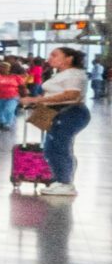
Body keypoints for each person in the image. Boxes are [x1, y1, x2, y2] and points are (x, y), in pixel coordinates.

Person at [21, 46, 90, 194]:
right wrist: (40, 101)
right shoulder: (63, 73)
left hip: (70, 113)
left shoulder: (73, 74)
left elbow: (71, 95)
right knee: (54, 148)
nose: (50, 58)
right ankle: (60, 180)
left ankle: (65, 183)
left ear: (68, 59)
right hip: (60, 112)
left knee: (58, 148)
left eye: (54, 55)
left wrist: (36, 99)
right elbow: (57, 93)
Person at [0, 57, 25, 131]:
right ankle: (3, 121)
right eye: (0, 67)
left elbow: (22, 87)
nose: (2, 69)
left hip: (12, 97)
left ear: (9, 68)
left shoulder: (15, 77)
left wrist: (24, 96)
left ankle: (7, 123)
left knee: (9, 110)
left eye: (5, 67)